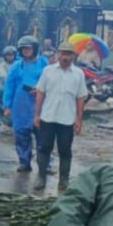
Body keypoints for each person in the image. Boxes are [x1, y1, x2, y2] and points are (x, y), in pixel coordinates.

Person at [32, 40, 88, 194]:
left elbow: (81, 98)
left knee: (65, 150)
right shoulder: (48, 71)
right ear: (58, 54)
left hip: (67, 119)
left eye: (68, 54)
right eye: (63, 53)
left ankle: (64, 180)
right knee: (44, 148)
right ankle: (41, 177)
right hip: (48, 117)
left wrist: (79, 119)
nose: (65, 57)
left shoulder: (78, 74)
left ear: (73, 56)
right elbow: (40, 93)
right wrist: (36, 115)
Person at [2, 36, 49, 173]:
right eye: (23, 49)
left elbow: (50, 81)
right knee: (21, 135)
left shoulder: (43, 64)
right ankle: (24, 161)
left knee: (43, 136)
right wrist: (7, 106)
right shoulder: (16, 66)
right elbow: (9, 86)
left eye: (28, 48)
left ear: (34, 48)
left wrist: (40, 89)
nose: (26, 51)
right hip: (20, 105)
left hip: (40, 105)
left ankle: (45, 164)